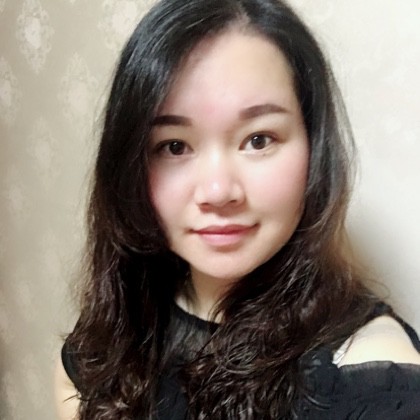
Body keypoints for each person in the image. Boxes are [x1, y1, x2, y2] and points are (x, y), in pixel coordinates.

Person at [55, 0, 420, 418]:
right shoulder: (113, 333)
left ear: (314, 149)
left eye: (258, 140)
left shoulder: (366, 382)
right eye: (174, 146)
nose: (217, 191)